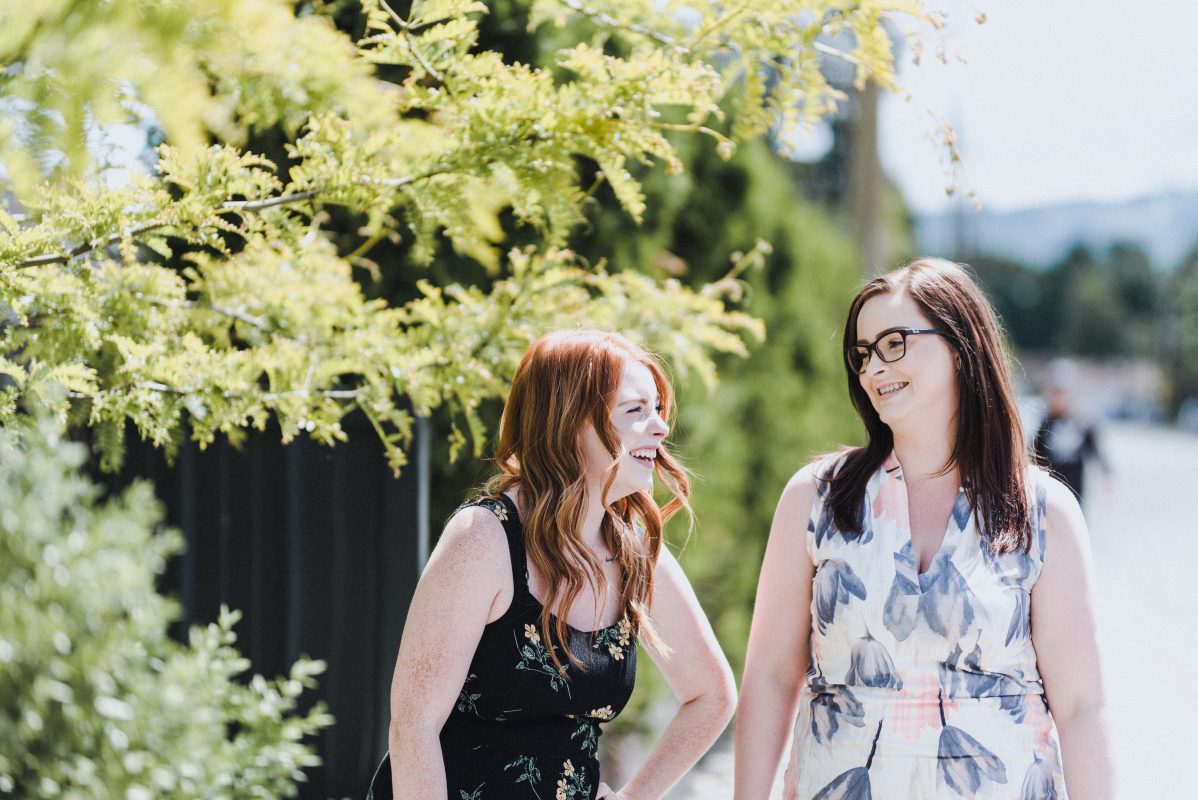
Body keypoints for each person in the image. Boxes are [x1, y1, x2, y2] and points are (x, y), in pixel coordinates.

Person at [734, 259, 1115, 799]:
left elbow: (1081, 706)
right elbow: (771, 678)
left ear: (960, 347)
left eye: (895, 343)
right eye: (862, 354)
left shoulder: (1042, 510)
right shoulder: (814, 497)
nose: (873, 368)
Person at [376, 329, 736, 800]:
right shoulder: (483, 538)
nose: (661, 428)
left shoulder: (634, 551)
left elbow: (712, 695)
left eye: (659, 410)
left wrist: (633, 796)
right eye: (635, 411)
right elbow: (413, 724)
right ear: (570, 423)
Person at [1033, 360, 1109, 501]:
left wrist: (1106, 474)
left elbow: (1094, 450)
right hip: (1048, 490)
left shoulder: (1083, 423)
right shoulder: (1044, 423)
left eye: (1063, 393)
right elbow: (1034, 453)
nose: (1059, 398)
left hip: (1075, 489)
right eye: (1055, 393)